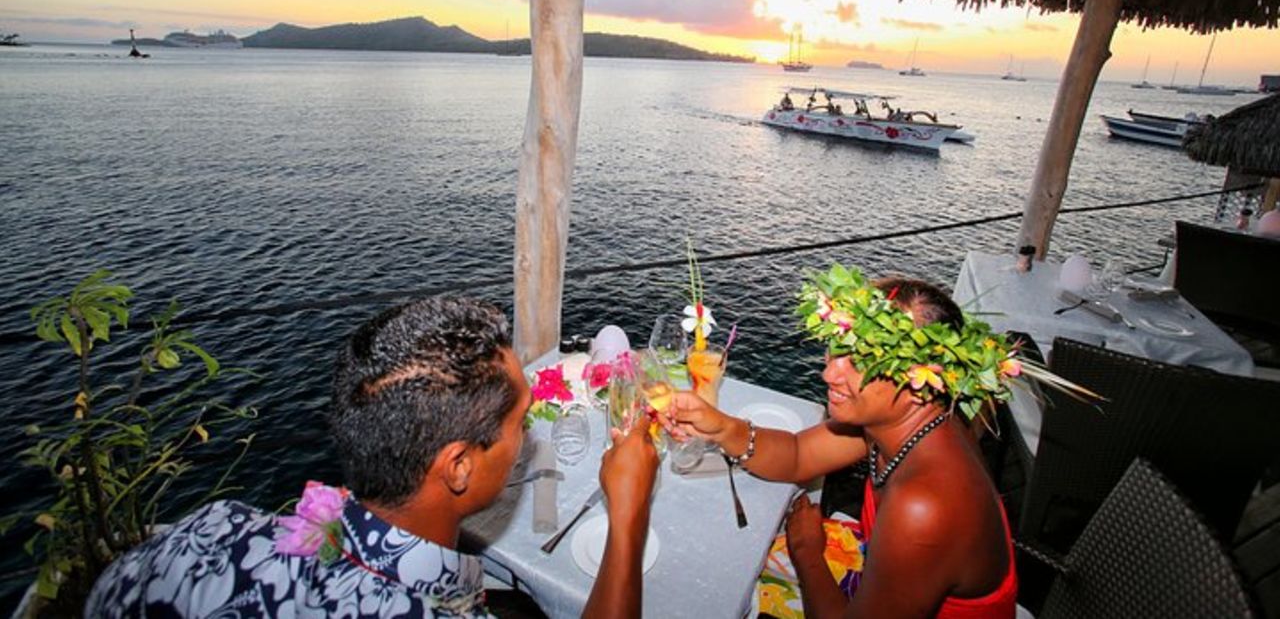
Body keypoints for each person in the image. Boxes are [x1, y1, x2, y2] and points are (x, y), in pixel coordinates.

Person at [86, 297, 659, 618]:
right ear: (458, 466)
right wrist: (628, 516)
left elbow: (103, 598)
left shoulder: (219, 523)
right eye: (519, 425)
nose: (528, 438)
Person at [664, 267, 1026, 618]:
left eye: (863, 362)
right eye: (838, 348)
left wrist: (808, 552)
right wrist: (721, 428)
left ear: (922, 384)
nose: (830, 372)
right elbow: (798, 455)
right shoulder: (904, 422)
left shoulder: (924, 507)